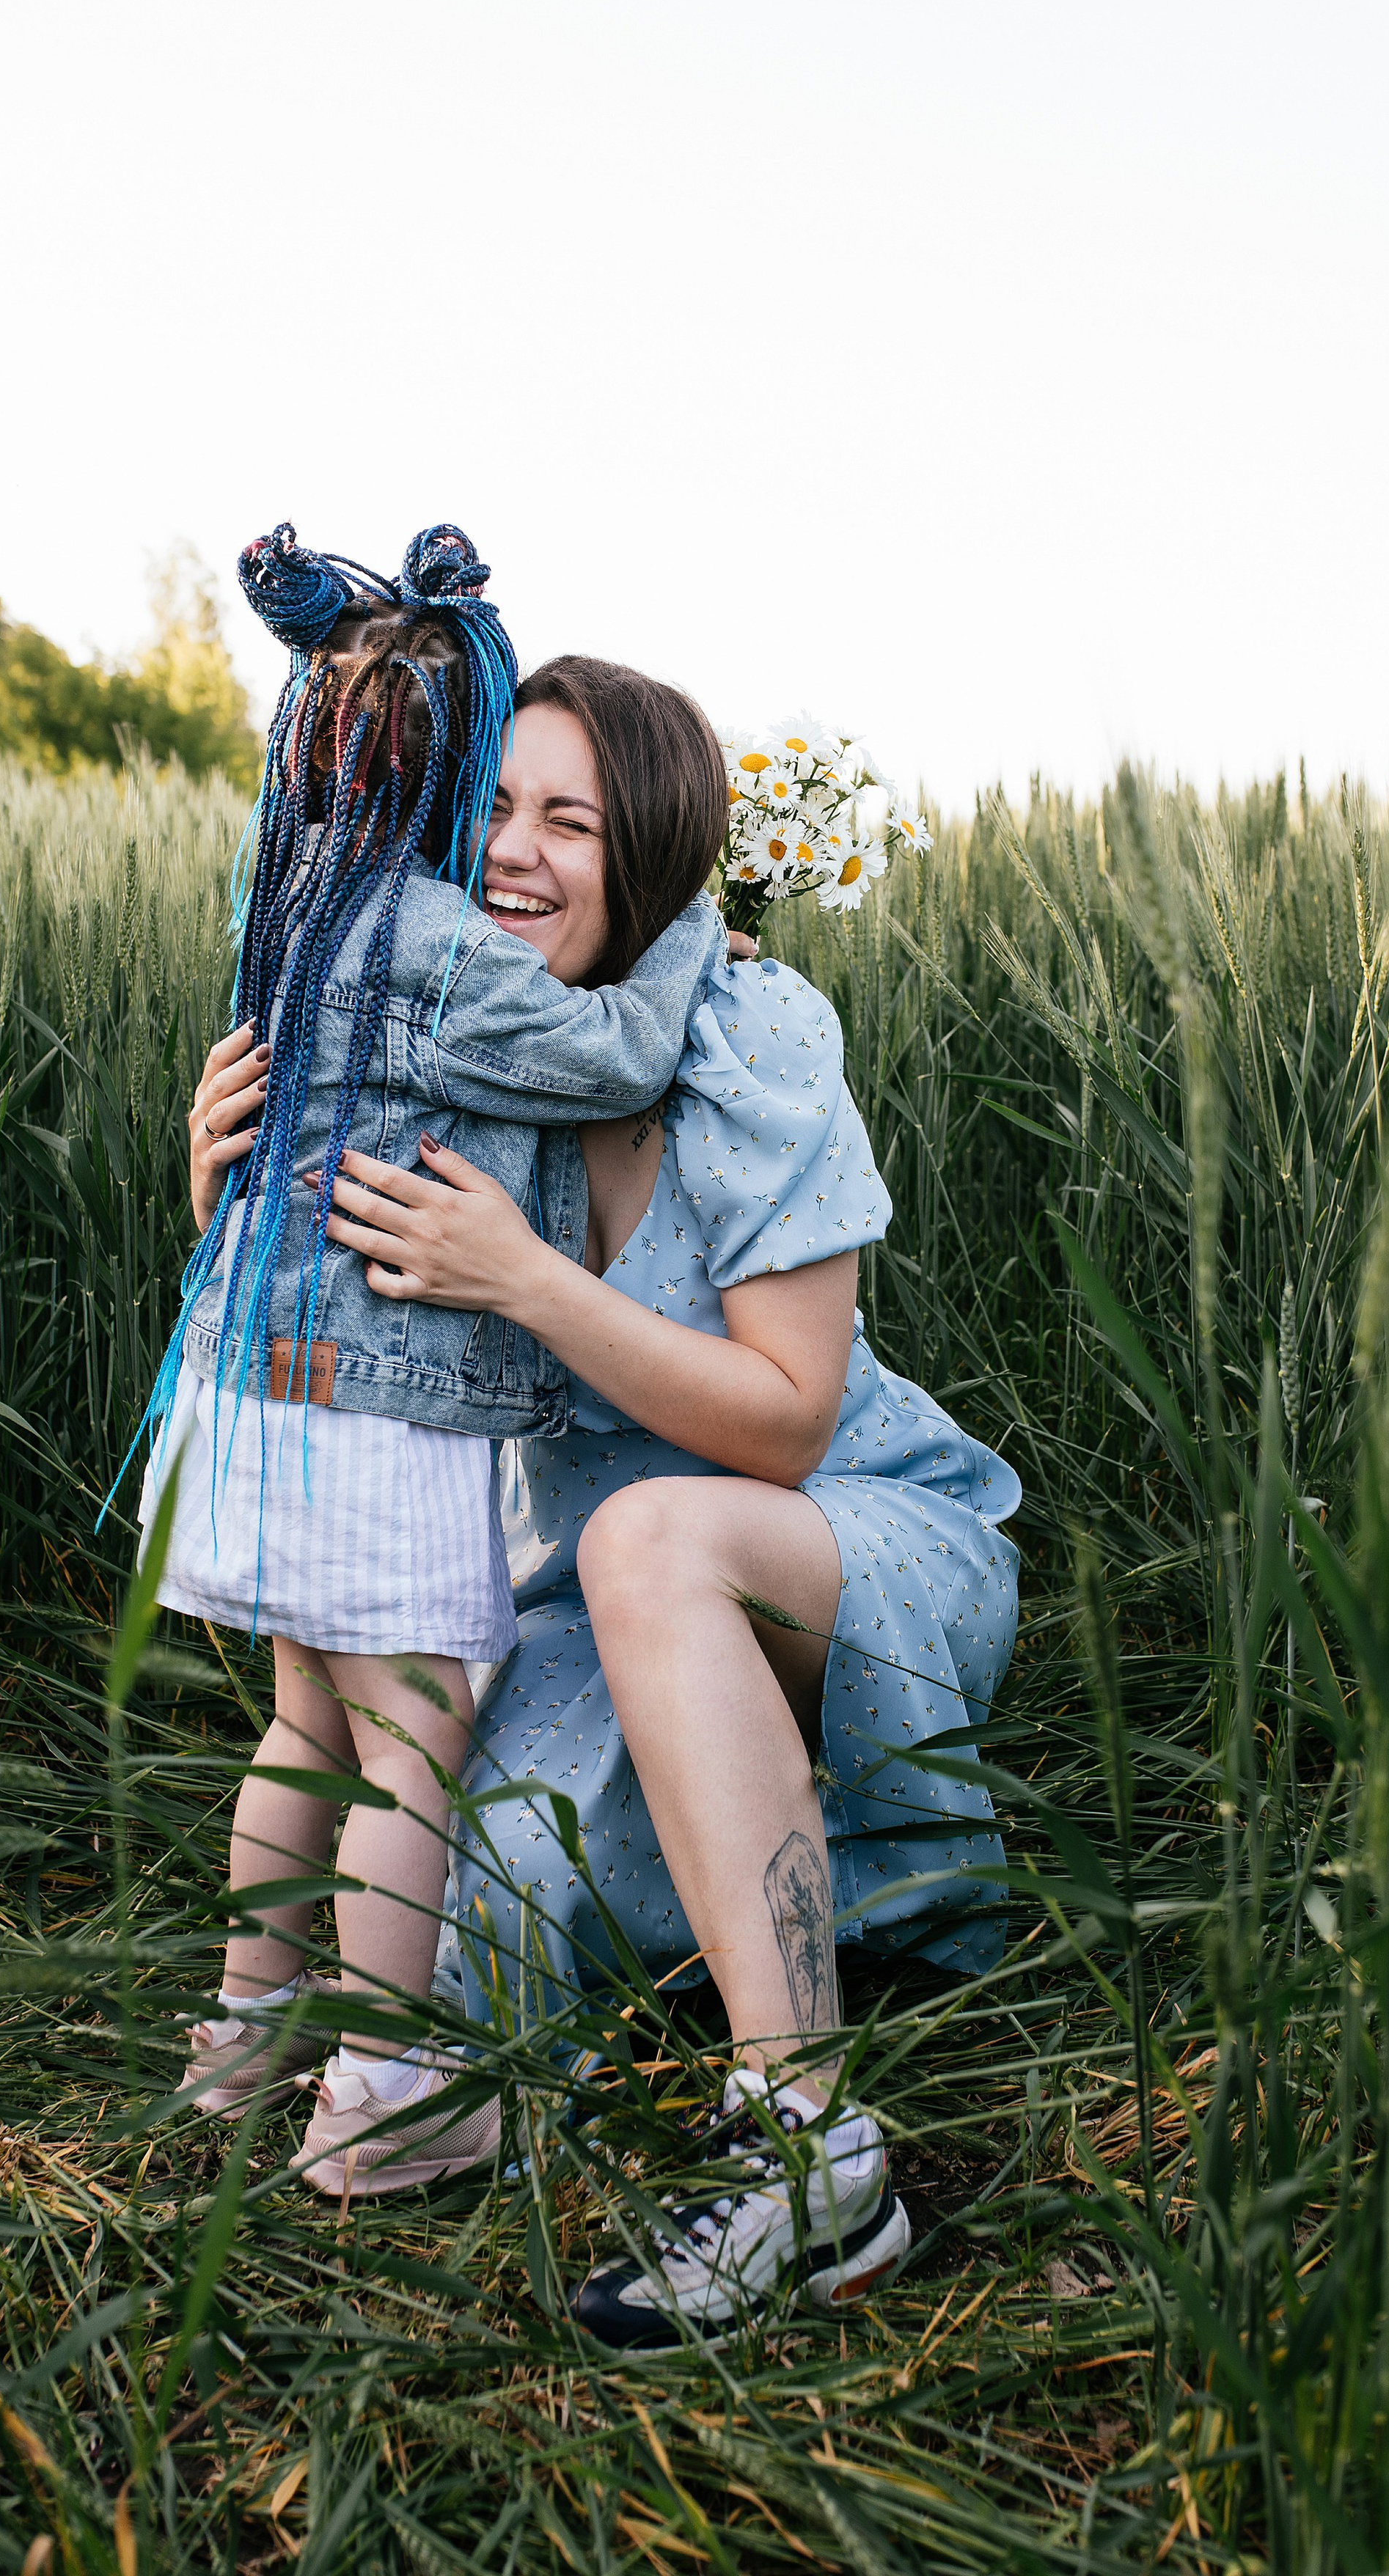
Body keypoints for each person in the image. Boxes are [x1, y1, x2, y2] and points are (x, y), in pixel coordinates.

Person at [312, 651, 1022, 2344]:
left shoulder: (746, 1029)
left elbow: (780, 1425)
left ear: (648, 855)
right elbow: (329, 1359)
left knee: (653, 1530)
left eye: (569, 817)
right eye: (486, 805)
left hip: (850, 1541)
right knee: (463, 1946)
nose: (510, 852)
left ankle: (808, 2152)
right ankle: (781, 1894)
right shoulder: (445, 1053)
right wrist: (226, 1194)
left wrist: (528, 1282)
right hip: (610, 1601)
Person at [134, 528, 722, 2196]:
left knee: (301, 1728)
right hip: (370, 1406)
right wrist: (697, 930)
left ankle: (239, 2037)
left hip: (249, 1391)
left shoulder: (299, 903)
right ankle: (383, 2084)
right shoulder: (441, 946)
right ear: (454, 762)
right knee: (421, 1734)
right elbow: (621, 1041)